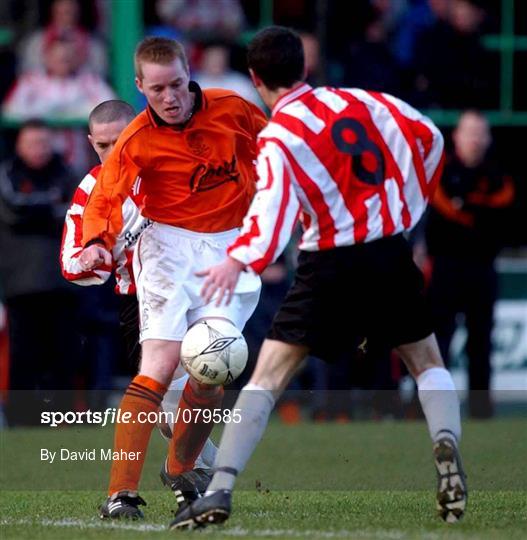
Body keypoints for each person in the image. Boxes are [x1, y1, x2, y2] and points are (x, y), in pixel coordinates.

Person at [169, 26, 468, 530]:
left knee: (266, 379)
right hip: (388, 253)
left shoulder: (280, 136)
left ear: (254, 78)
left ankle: (218, 490)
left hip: (328, 261)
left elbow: (270, 214)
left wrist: (238, 259)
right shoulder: (362, 101)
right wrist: (406, 206)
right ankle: (446, 444)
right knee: (426, 361)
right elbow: (430, 136)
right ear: (304, 67)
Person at [78, 37, 267, 519]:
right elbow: (105, 195)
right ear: (140, 86)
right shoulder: (136, 138)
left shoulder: (233, 108)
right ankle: (119, 493)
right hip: (166, 248)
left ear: (190, 74)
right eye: (157, 88)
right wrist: (98, 238)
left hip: (229, 248)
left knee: (214, 370)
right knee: (160, 364)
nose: (170, 97)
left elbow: (277, 149)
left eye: (177, 84)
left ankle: (181, 466)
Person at [60, 98, 218, 479]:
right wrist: (93, 257)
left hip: (197, 290)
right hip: (140, 302)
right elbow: (69, 260)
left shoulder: (175, 166)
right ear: (90, 143)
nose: (114, 152)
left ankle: (195, 467)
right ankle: (202, 466)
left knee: (207, 378)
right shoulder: (91, 188)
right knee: (170, 405)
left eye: (121, 140)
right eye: (103, 145)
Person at [424, 110, 515, 418]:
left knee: (481, 343)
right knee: (439, 341)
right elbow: (442, 223)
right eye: (469, 132)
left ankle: (480, 408)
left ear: (488, 138)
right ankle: (435, 408)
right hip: (446, 269)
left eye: (480, 133)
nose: (475, 139)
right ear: (457, 136)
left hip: (482, 270)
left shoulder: (499, 177)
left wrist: (468, 214)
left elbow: (500, 224)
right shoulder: (441, 173)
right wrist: (471, 216)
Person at [0, 119, 78, 425]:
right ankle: (21, 417)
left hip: (64, 280)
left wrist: (39, 211)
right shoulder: (7, 175)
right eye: (32, 143)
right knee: (23, 352)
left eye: (44, 142)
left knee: (63, 352)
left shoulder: (68, 174)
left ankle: (61, 416)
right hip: (20, 281)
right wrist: (50, 207)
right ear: (19, 145)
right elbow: (13, 211)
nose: (39, 149)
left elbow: (75, 213)